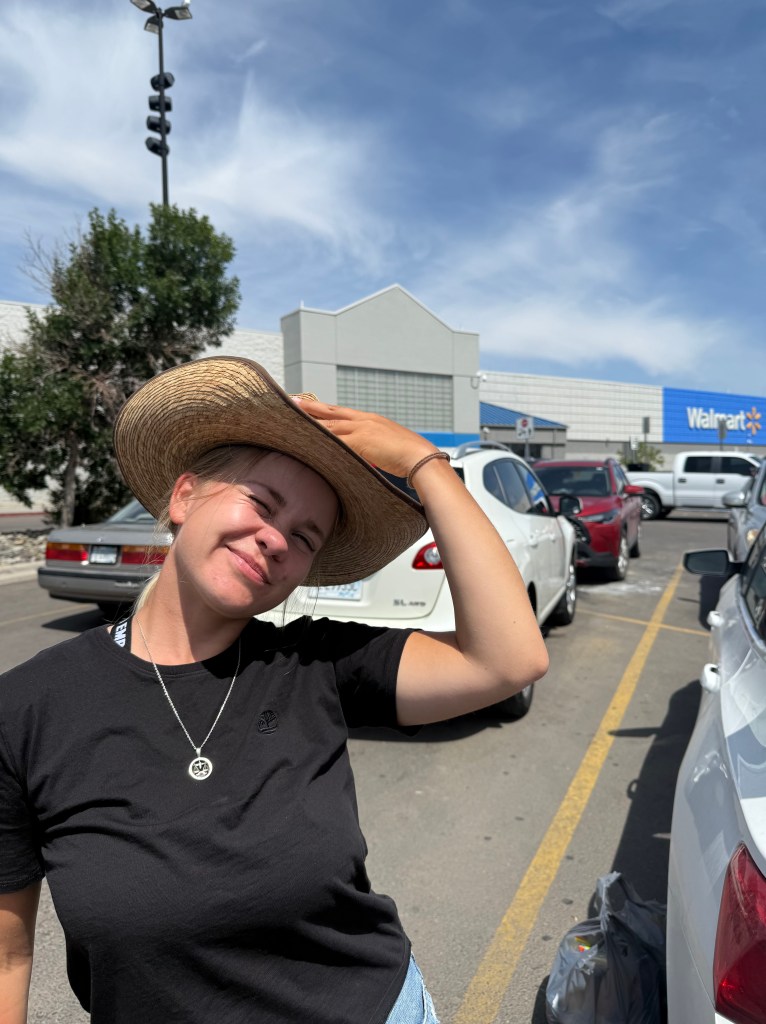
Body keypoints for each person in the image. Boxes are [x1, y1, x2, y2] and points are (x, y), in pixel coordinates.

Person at [0, 357, 549, 1024]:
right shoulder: (28, 709)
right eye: (262, 503)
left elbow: (509, 659)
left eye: (305, 537)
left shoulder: (316, 662)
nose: (276, 540)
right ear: (184, 496)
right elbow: (6, 957)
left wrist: (426, 466)